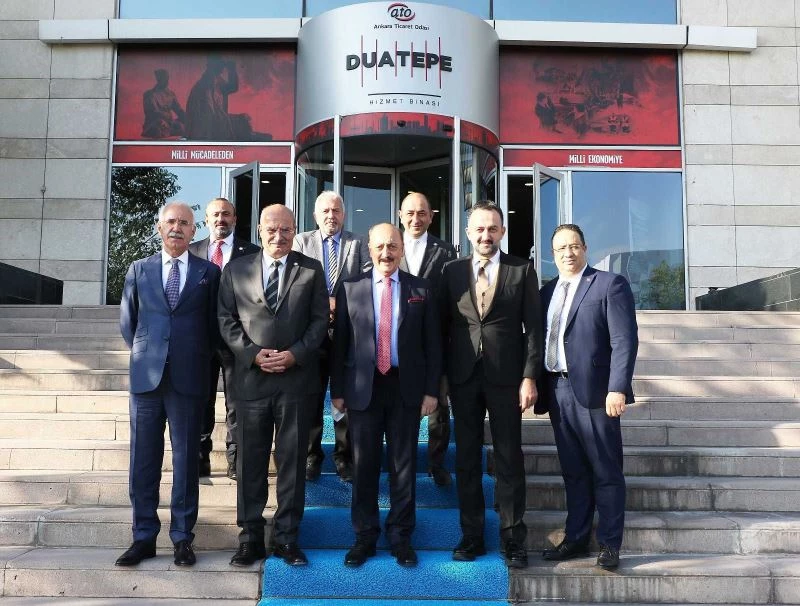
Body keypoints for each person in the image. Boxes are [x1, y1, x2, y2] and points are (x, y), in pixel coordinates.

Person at [218, 204, 328, 568]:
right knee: (250, 462)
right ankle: (250, 538)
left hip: (296, 382)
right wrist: (252, 354)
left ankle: (286, 539)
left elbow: (319, 322)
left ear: (295, 230)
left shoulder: (311, 269)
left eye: (285, 229)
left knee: (292, 462)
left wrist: (296, 354)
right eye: (271, 229)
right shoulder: (236, 269)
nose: (278, 236)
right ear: (259, 230)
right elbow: (226, 319)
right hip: (251, 382)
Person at [330, 223, 441, 568]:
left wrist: (432, 391)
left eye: (392, 246)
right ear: (369, 249)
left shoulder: (421, 288)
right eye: (379, 246)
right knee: (363, 465)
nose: (386, 253)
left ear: (402, 249)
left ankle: (400, 537)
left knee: (403, 465)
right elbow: (340, 343)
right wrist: (337, 390)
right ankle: (364, 537)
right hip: (363, 388)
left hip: (405, 387)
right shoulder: (350, 287)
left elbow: (433, 345)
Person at [439, 200, 542, 569]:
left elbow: (534, 329)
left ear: (503, 231)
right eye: (480, 229)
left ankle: (513, 540)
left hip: (507, 379)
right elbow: (442, 327)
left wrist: (529, 376)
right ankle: (472, 537)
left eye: (492, 228)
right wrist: (441, 378)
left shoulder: (521, 270)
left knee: (509, 458)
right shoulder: (451, 271)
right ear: (469, 233)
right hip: (463, 377)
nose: (486, 235)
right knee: (466, 459)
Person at [117, 201, 220, 568]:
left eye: (185, 223)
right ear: (160, 228)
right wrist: (149, 353)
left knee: (186, 461)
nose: (177, 227)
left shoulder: (209, 272)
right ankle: (143, 537)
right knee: (143, 461)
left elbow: (215, 325)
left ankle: (182, 538)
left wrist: (195, 355)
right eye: (171, 222)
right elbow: (129, 322)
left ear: (194, 231)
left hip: (189, 379)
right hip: (147, 378)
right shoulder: (139, 269)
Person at [537, 224, 638, 571]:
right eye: (561, 248)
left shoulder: (609, 284)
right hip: (557, 390)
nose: (568, 253)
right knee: (574, 471)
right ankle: (576, 537)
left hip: (597, 392)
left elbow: (624, 340)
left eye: (574, 246)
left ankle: (609, 544)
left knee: (605, 469)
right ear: (552, 255)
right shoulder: (546, 292)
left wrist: (617, 387)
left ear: (585, 248)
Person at [293, 191, 371, 483]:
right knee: (311, 397)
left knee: (345, 397)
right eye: (325, 211)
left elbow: (366, 278)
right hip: (311, 334)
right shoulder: (301, 242)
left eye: (336, 210)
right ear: (315, 216)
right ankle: (312, 456)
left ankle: (344, 457)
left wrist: (341, 301)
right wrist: (323, 302)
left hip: (347, 333)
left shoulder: (358, 243)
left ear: (344, 215)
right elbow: (295, 282)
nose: (331, 216)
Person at [189, 197, 260, 480]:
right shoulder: (191, 251)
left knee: (237, 404)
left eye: (227, 214)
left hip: (238, 340)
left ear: (235, 219)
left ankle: (236, 460)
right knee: (200, 401)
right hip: (200, 341)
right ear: (206, 220)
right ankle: (200, 458)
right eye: (216, 215)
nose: (221, 219)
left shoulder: (252, 252)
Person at [398, 192, 456, 486]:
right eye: (410, 213)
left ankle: (437, 463)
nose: (415, 219)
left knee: (439, 407)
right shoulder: (391, 246)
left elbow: (451, 298)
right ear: (400, 215)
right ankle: (403, 462)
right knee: (401, 406)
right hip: (399, 343)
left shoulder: (445, 252)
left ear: (431, 217)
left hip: (436, 340)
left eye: (422, 213)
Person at [141, 68, 185, 139]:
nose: (166, 81)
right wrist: (166, 118)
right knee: (159, 127)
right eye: (164, 78)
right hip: (155, 123)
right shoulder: (149, 94)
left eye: (167, 78)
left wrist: (185, 117)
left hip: (169, 123)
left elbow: (178, 109)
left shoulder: (170, 94)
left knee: (182, 126)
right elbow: (152, 113)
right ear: (158, 79)